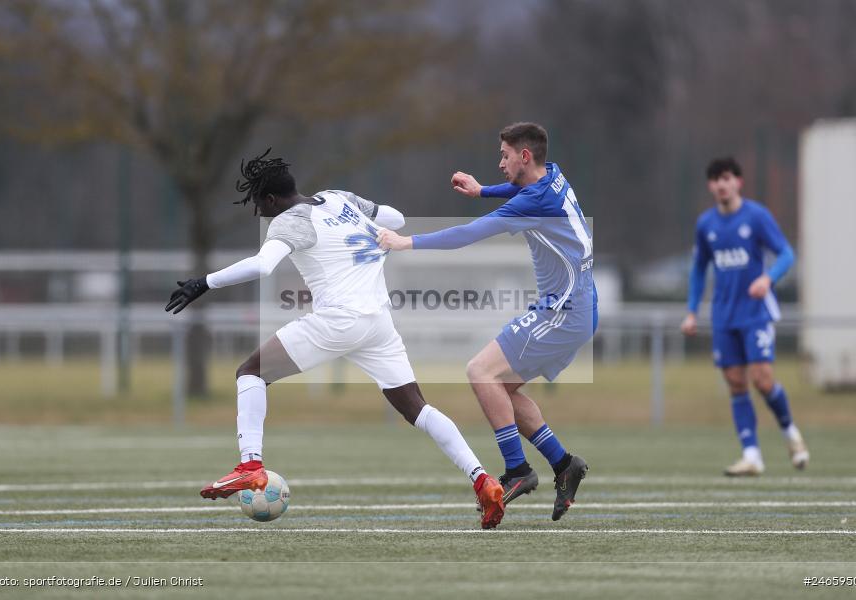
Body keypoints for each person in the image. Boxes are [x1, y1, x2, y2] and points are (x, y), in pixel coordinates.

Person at [165, 149, 505, 529]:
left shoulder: (290, 220)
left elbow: (263, 265)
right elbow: (396, 218)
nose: (260, 212)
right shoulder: (338, 198)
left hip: (339, 321)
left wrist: (204, 282)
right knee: (417, 409)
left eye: (258, 204)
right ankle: (482, 480)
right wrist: (373, 230)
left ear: (271, 199)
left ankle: (250, 465)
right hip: (378, 322)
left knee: (251, 372)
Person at [378, 122, 597, 521]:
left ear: (524, 156)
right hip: (578, 305)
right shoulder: (552, 175)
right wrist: (483, 191)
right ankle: (564, 464)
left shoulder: (533, 201)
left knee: (480, 372)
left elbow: (468, 234)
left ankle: (518, 470)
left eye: (505, 155)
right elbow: (521, 189)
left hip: (562, 311)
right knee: (501, 390)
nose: (500, 163)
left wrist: (406, 242)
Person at [680, 157, 808, 476]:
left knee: (762, 380)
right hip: (724, 315)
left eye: (726, 178)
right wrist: (692, 311)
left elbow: (786, 253)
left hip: (755, 314)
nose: (721, 184)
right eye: (715, 179)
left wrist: (768, 279)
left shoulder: (756, 216)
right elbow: (699, 269)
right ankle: (752, 456)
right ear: (710, 186)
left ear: (738, 182)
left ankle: (791, 435)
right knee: (736, 383)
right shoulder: (706, 224)